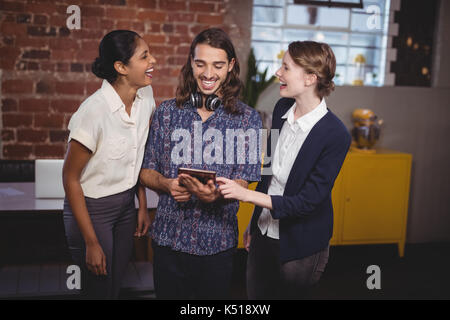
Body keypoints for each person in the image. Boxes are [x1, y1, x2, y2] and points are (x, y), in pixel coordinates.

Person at [217, 41, 352, 299]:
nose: (278, 73)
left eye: (286, 67)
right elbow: (268, 172)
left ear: (311, 78)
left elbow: (307, 202)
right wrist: (255, 220)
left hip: (302, 242)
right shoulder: (281, 109)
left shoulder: (336, 134)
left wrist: (246, 196)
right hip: (263, 231)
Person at [139, 28, 262, 300]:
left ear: (230, 66)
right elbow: (145, 171)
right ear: (190, 64)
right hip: (168, 242)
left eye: (218, 65)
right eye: (200, 64)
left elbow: (245, 179)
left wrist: (216, 195)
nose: (208, 74)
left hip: (217, 246)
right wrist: (165, 184)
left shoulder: (248, 120)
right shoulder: (166, 113)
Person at [62, 30, 156, 299]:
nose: (154, 61)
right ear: (121, 67)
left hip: (126, 207)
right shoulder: (93, 111)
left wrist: (141, 204)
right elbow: (69, 179)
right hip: (92, 210)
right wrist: (91, 242)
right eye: (145, 56)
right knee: (98, 290)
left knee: (114, 287)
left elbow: (138, 156)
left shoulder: (146, 97)